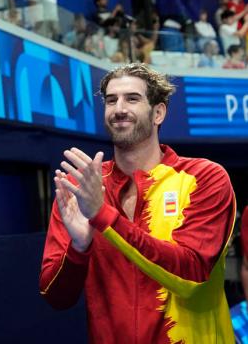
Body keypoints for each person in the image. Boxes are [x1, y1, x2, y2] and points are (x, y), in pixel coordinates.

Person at [39, 63, 235, 342]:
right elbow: (56, 297)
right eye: (111, 100)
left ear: (158, 112)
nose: (119, 109)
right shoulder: (82, 189)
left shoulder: (203, 177)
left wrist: (103, 216)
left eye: (132, 98)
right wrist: (79, 249)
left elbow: (192, 278)